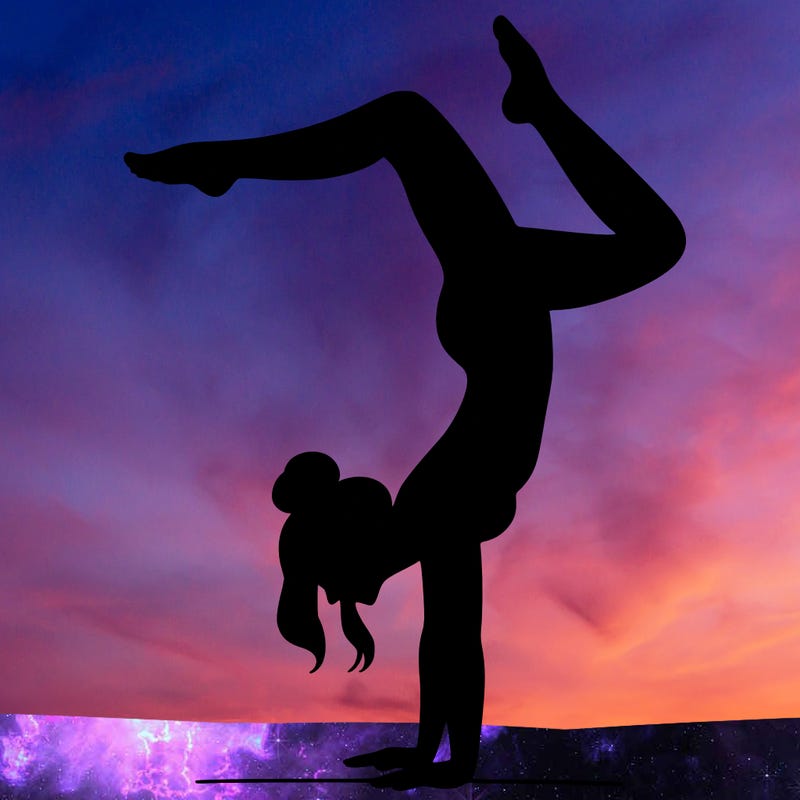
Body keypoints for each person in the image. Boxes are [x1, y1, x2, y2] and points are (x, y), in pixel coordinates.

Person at [125, 16, 685, 789]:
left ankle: (230, 162)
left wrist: (442, 761)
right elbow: (450, 635)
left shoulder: (433, 500)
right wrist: (434, 759)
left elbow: (450, 637)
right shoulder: (433, 504)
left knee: (409, 123)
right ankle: (535, 107)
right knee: (415, 128)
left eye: (341, 580)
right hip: (500, 294)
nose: (353, 594)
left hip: (498, 292)